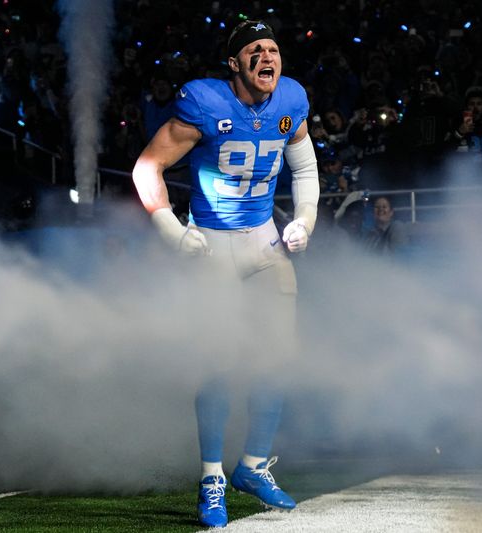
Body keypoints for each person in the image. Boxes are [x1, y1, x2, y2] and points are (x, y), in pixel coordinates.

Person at [131, 20, 319, 528]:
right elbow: (145, 168)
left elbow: (304, 167)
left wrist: (304, 219)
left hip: (263, 241)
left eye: (274, 49)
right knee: (217, 360)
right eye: (254, 50)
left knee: (278, 357)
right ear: (233, 63)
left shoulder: (291, 101)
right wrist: (172, 230)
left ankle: (253, 466)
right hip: (210, 244)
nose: (267, 57)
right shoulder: (205, 103)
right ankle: (211, 476)